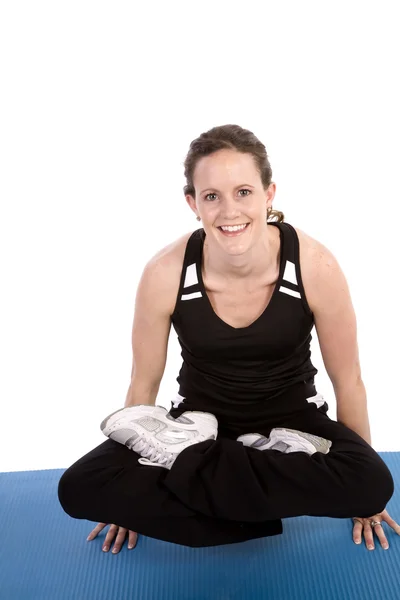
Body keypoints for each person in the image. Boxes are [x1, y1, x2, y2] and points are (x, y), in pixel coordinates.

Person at [58, 124, 399, 554]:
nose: (228, 211)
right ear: (192, 203)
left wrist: (363, 497)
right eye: (211, 196)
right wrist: (124, 501)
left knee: (371, 485)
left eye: (243, 192)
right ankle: (237, 469)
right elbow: (143, 384)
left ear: (268, 194)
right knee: (80, 488)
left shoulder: (314, 266)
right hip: (198, 423)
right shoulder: (165, 272)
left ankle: (240, 468)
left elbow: (348, 381)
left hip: (294, 421)